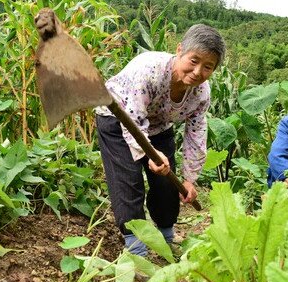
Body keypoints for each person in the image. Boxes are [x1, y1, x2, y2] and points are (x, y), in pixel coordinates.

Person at [96, 24, 226, 256]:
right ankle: (136, 247)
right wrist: (150, 155)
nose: (198, 72)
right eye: (194, 60)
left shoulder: (201, 93)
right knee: (128, 180)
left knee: (167, 179)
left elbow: (196, 133)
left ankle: (166, 235)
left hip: (158, 125)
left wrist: (189, 180)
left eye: (208, 67)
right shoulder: (149, 71)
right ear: (179, 50)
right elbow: (134, 119)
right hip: (118, 118)